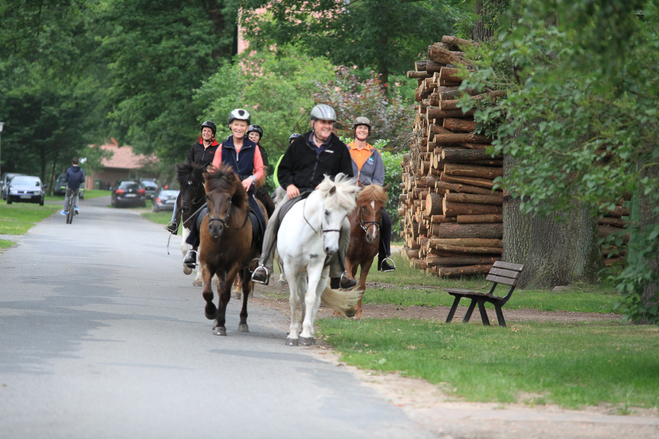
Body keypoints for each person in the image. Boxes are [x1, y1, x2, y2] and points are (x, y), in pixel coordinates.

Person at [251, 104, 357, 289]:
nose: (327, 126)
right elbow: (284, 169)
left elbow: (347, 175)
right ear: (313, 123)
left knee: (345, 226)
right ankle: (264, 266)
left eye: (330, 123)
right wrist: (290, 185)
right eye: (323, 122)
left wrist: (328, 185)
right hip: (297, 194)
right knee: (274, 219)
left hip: (325, 198)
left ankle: (339, 273)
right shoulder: (299, 144)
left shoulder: (339, 148)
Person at [182, 109, 266, 267]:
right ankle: (193, 249)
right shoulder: (222, 147)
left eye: (242, 125)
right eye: (236, 125)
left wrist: (251, 179)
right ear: (230, 126)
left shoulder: (253, 148)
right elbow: (215, 167)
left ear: (247, 128)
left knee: (260, 219)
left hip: (246, 192)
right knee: (202, 212)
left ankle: (262, 258)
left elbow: (260, 170)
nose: (239, 128)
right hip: (225, 190)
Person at [347, 117, 396, 272]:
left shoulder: (374, 153)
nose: (362, 130)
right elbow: (340, 172)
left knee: (386, 220)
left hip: (367, 197)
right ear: (354, 130)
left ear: (368, 132)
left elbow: (379, 179)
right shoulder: (345, 150)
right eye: (360, 127)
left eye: (365, 128)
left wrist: (369, 191)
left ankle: (384, 258)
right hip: (348, 194)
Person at [165, 121, 220, 234]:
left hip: (208, 179)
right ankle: (174, 222)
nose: (206, 133)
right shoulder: (196, 147)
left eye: (209, 131)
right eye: (204, 131)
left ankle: (215, 222)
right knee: (181, 196)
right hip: (194, 178)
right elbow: (189, 162)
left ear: (213, 134)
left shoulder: (217, 148)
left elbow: (217, 164)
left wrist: (210, 171)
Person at [246, 124, 275, 217]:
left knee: (271, 206)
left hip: (258, 185)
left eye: (256, 135)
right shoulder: (241, 148)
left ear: (259, 138)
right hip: (241, 181)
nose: (253, 137)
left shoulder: (262, 151)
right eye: (252, 134)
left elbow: (264, 168)